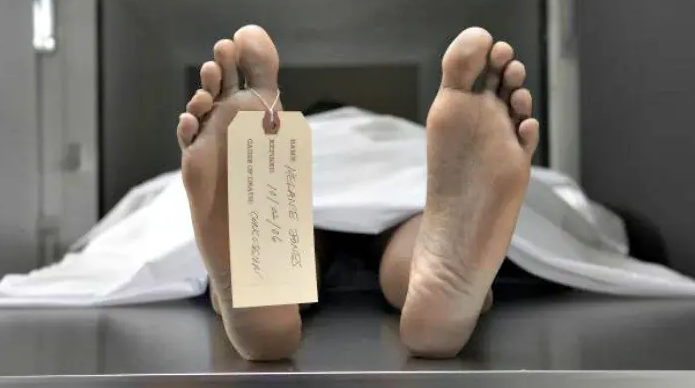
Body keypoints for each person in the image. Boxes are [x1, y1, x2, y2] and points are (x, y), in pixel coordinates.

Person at [176, 25, 539, 361]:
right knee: (415, 225)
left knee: (292, 232)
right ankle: (435, 286)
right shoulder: (390, 129)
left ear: (313, 117)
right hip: (399, 174)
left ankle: (258, 281)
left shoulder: (311, 131)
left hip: (296, 187)